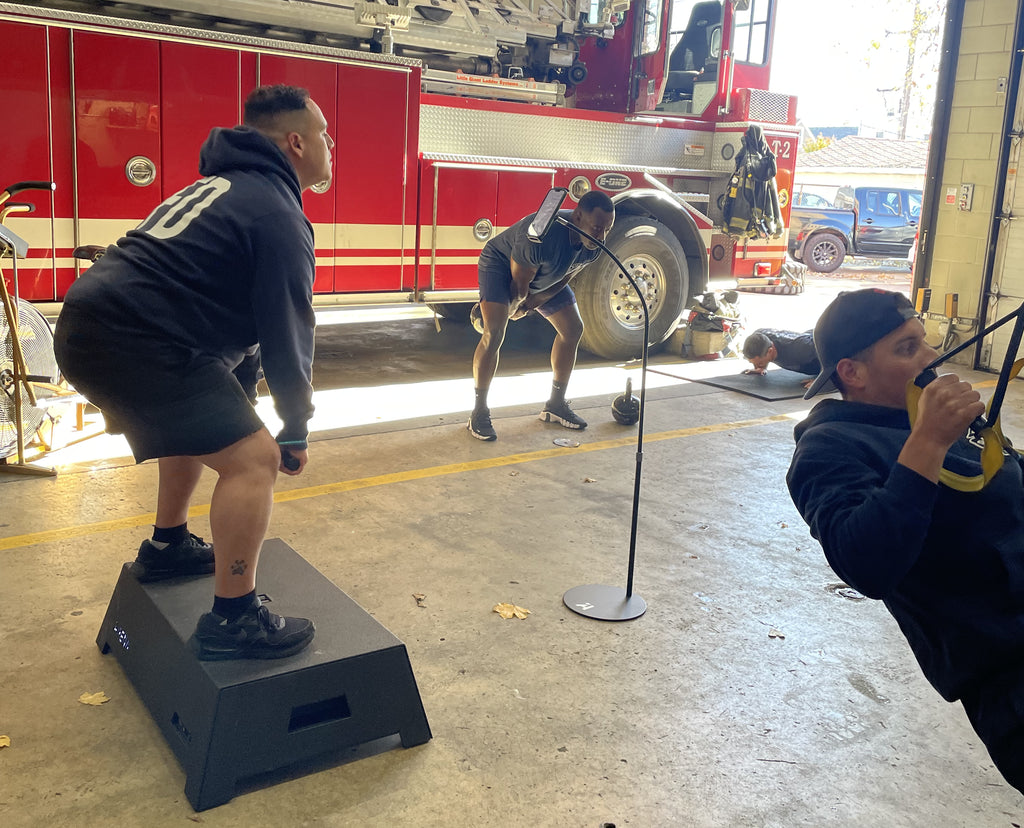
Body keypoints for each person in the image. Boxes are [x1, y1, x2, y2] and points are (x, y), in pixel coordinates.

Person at [54, 85, 334, 661]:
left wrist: (247, 394)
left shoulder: (220, 188)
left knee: (196, 423)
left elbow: (242, 329)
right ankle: (234, 619)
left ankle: (168, 545)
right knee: (254, 460)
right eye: (326, 134)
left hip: (92, 323)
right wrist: (295, 424)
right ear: (297, 142)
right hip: (137, 338)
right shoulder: (278, 213)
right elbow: (289, 327)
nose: (332, 145)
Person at [787, 288, 1024, 794]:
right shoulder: (828, 449)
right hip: (1007, 666)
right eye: (906, 348)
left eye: (923, 341)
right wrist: (929, 442)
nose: (929, 357)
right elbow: (867, 563)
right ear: (852, 373)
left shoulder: (920, 412)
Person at [468, 190, 615, 441]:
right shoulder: (540, 236)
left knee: (573, 329)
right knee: (494, 333)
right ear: (578, 217)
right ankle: (478, 412)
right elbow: (519, 286)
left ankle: (555, 405)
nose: (601, 236)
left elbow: (567, 275)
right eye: (597, 228)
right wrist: (514, 309)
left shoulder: (594, 244)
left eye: (606, 230)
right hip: (502, 267)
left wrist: (536, 302)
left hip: (548, 274)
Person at [741, 328, 820, 387]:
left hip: (823, 347)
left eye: (760, 363)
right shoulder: (760, 336)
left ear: (770, 351)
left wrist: (822, 381)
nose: (756, 366)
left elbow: (831, 349)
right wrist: (761, 367)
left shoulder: (802, 349)